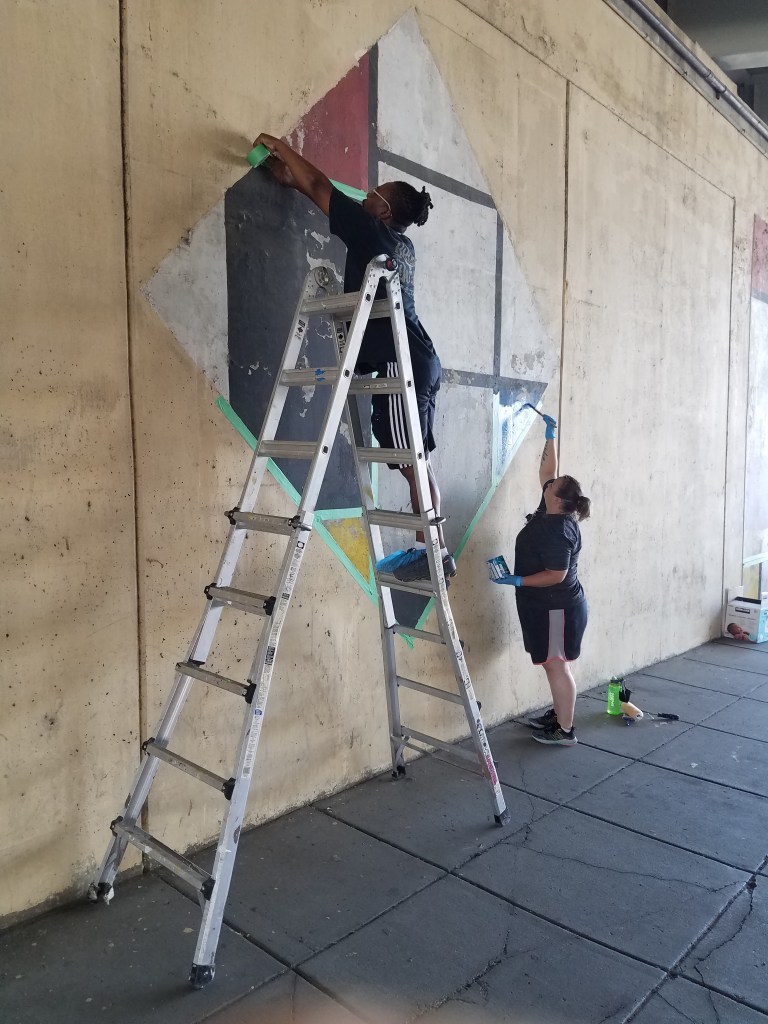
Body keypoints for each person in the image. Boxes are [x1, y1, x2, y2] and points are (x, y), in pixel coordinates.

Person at [252, 133, 455, 583]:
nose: (365, 197)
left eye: (373, 195)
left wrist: (283, 148)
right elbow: (313, 189)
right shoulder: (398, 244)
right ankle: (436, 549)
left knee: (411, 462)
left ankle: (432, 551)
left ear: (383, 211)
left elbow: (321, 186)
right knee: (416, 460)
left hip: (401, 363)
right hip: (418, 358)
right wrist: (291, 180)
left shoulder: (372, 231)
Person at [491, 411, 590, 746]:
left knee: (556, 665)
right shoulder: (553, 506)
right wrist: (550, 434)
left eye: (554, 486)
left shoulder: (558, 529)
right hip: (548, 606)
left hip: (557, 607)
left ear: (557, 499)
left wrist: (519, 581)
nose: (549, 483)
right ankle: (560, 713)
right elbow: (548, 471)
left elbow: (556, 575)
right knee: (552, 664)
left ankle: (565, 730)